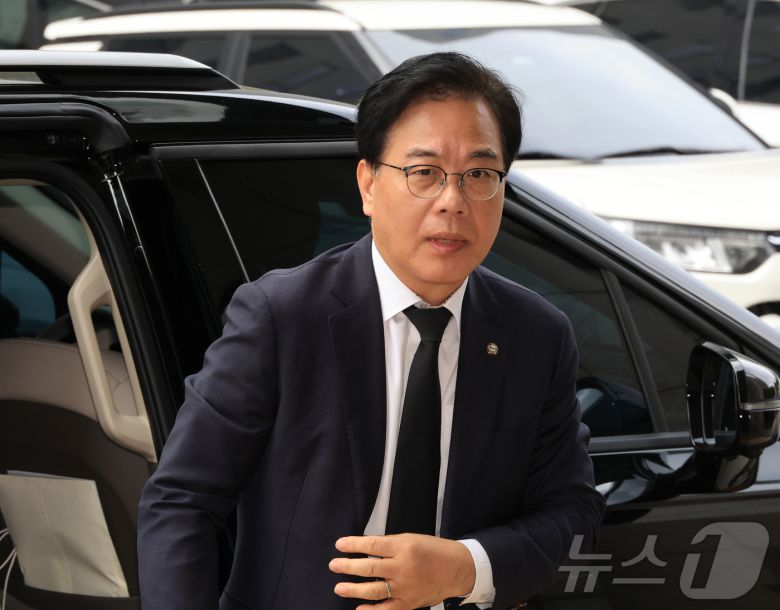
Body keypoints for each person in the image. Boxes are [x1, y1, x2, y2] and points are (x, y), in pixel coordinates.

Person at [138, 51, 605, 610]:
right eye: (424, 172)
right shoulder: (282, 316)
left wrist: (464, 568)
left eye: (479, 174)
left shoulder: (536, 335)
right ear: (367, 184)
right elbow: (182, 500)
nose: (452, 202)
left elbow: (573, 515)